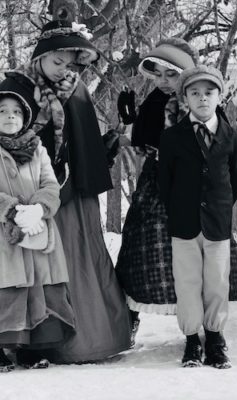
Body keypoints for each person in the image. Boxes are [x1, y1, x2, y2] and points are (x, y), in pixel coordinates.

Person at [1, 20, 131, 363]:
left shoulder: (76, 89)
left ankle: (89, 339)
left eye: (69, 64)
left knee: (79, 260)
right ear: (41, 56)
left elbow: (82, 140)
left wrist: (102, 148)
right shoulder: (15, 88)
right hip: (30, 195)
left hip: (74, 194)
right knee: (33, 264)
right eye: (57, 62)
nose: (63, 70)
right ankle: (32, 342)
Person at [115, 39, 237, 346]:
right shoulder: (154, 102)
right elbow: (143, 138)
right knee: (142, 254)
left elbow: (227, 160)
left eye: (170, 74)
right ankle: (131, 319)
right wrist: (132, 122)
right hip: (157, 186)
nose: (162, 81)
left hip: (198, 194)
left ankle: (210, 328)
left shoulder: (204, 106)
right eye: (157, 74)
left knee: (211, 261)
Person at [158, 65, 237, 369]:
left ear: (220, 96)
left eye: (209, 93)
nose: (202, 99)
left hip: (217, 224)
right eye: (195, 93)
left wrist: (217, 207)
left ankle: (215, 338)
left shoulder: (233, 138)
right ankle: (192, 340)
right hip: (184, 224)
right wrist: (181, 208)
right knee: (187, 281)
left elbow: (235, 182)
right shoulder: (172, 138)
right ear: (185, 98)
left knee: (217, 282)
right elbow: (164, 183)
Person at [0, 85, 75, 371]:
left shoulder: (37, 148)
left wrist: (38, 209)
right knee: (7, 289)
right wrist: (11, 209)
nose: (10, 116)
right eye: (3, 111)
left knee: (38, 288)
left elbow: (50, 184)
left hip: (37, 231)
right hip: (4, 235)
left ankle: (30, 348)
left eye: (17, 111)